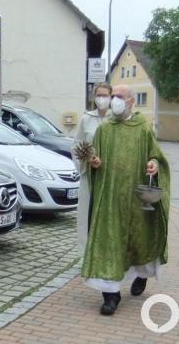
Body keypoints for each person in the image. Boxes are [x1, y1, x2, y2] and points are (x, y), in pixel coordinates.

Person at [82, 84, 171, 316]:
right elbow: (94, 158)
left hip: (136, 198)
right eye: (113, 96)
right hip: (109, 198)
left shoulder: (142, 128)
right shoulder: (105, 129)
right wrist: (94, 163)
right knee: (108, 243)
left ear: (131, 102)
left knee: (139, 240)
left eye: (119, 97)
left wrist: (154, 164)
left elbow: (156, 155)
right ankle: (111, 295)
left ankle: (142, 275)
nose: (114, 100)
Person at [72, 83, 112, 256]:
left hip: (110, 175)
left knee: (108, 215)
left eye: (105, 95)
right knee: (85, 214)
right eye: (98, 95)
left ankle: (107, 253)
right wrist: (88, 159)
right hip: (89, 174)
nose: (101, 98)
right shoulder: (87, 118)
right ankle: (86, 254)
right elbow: (77, 144)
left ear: (111, 97)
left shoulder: (116, 119)